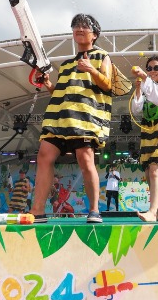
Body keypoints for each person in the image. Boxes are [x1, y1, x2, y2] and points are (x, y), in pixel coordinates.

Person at [31, 14, 113, 223]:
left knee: (85, 159)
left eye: (85, 26)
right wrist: (48, 84)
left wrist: (91, 69)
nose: (79, 28)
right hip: (59, 118)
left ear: (95, 35)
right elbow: (61, 92)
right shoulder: (67, 64)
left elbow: (107, 85)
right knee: (44, 156)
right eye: (76, 26)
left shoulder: (102, 56)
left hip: (84, 117)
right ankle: (37, 211)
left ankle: (94, 210)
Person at [131, 55, 158, 222]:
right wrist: (138, 89)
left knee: (155, 169)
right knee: (149, 173)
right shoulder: (145, 86)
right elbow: (136, 110)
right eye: (149, 68)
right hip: (147, 132)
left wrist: (144, 78)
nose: (152, 71)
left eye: (156, 68)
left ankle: (152, 212)